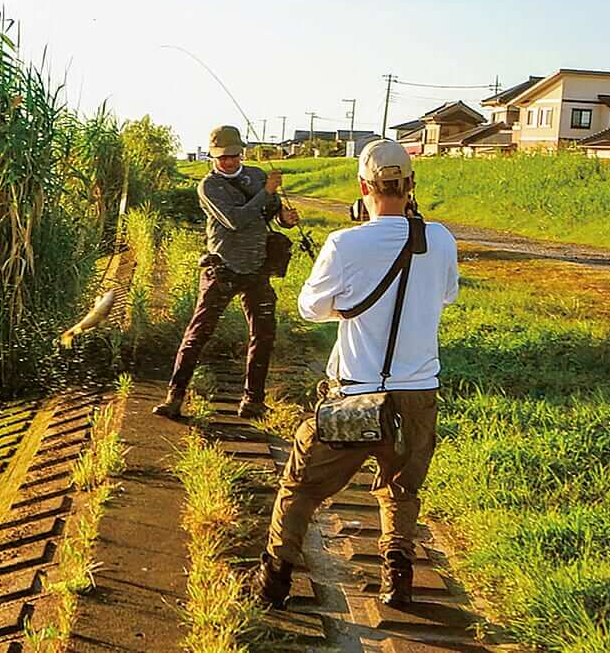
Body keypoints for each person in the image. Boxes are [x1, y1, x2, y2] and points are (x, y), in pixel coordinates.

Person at [252, 139, 459, 609]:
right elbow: (444, 296)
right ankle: (397, 576)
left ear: (363, 186)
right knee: (401, 488)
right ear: (410, 186)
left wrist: (344, 304)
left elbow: (309, 308)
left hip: (354, 397)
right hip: (417, 395)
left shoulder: (344, 243)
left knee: (301, 486)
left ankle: (274, 581)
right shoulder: (441, 238)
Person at [152, 124, 299, 420]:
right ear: (212, 157)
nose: (228, 161)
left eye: (233, 155)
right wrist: (266, 192)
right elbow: (235, 220)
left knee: (264, 333)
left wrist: (285, 218)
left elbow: (270, 213)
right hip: (222, 268)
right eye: (222, 157)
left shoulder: (257, 175)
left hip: (257, 266)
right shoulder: (209, 186)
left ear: (241, 152)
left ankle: (253, 401)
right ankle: (174, 397)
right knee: (198, 334)